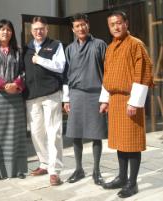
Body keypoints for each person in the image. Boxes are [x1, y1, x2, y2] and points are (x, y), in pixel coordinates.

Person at [99, 11, 153, 198]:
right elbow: (107, 75)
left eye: (119, 23)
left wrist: (135, 102)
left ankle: (132, 183)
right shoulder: (110, 47)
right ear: (109, 27)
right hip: (115, 101)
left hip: (130, 100)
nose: (116, 27)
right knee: (120, 142)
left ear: (126, 23)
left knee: (132, 143)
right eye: (112, 24)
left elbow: (143, 73)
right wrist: (105, 99)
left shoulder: (136, 44)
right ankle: (122, 177)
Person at [63, 13, 107, 185]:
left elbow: (108, 72)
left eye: (83, 25)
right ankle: (79, 169)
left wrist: (105, 98)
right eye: (77, 26)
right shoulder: (69, 49)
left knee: (96, 134)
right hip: (75, 95)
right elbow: (65, 75)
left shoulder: (100, 45)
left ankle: (96, 171)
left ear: (88, 25)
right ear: (73, 29)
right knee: (75, 133)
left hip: (96, 94)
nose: (80, 28)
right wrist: (66, 99)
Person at [23, 16, 66, 186]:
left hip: (51, 94)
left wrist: (40, 59)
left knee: (54, 132)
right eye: (35, 29)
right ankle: (44, 163)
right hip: (32, 96)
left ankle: (54, 171)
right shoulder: (26, 48)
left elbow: (60, 66)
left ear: (47, 29)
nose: (38, 32)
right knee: (36, 132)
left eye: (41, 29)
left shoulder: (56, 45)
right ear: (31, 31)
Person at [0, 19, 27, 180]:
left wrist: (15, 84)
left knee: (16, 132)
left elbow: (23, 71)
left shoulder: (18, 50)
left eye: (8, 29)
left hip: (15, 96)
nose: (5, 32)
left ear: (12, 32)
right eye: (2, 29)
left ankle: (18, 169)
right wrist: (3, 86)